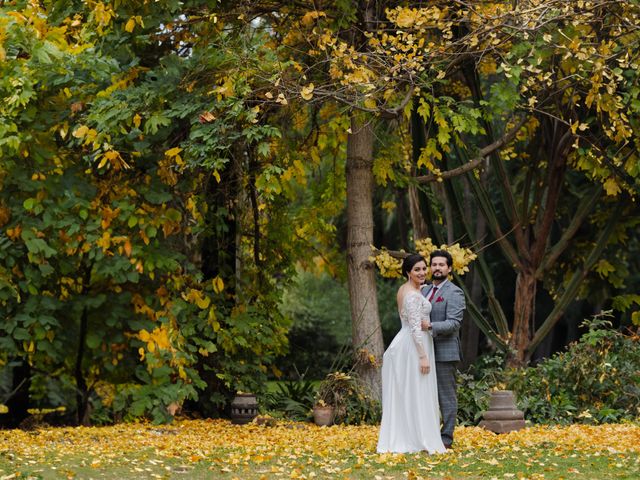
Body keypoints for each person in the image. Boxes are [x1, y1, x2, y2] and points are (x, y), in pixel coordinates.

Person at [377, 254, 446, 454]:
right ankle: (416, 438)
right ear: (408, 272)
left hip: (407, 342)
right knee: (416, 391)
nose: (423, 272)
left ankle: (409, 435)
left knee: (410, 392)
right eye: (417, 269)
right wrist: (423, 356)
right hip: (413, 347)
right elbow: (416, 328)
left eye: (424, 268)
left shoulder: (409, 289)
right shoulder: (412, 296)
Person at [421, 249, 465, 449]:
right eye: (434, 264)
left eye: (441, 265)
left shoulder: (454, 292)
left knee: (446, 396)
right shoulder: (423, 290)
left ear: (449, 268)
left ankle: (446, 438)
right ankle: (426, 434)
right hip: (423, 352)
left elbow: (454, 324)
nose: (437, 268)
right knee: (424, 394)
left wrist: (430, 326)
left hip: (444, 352)